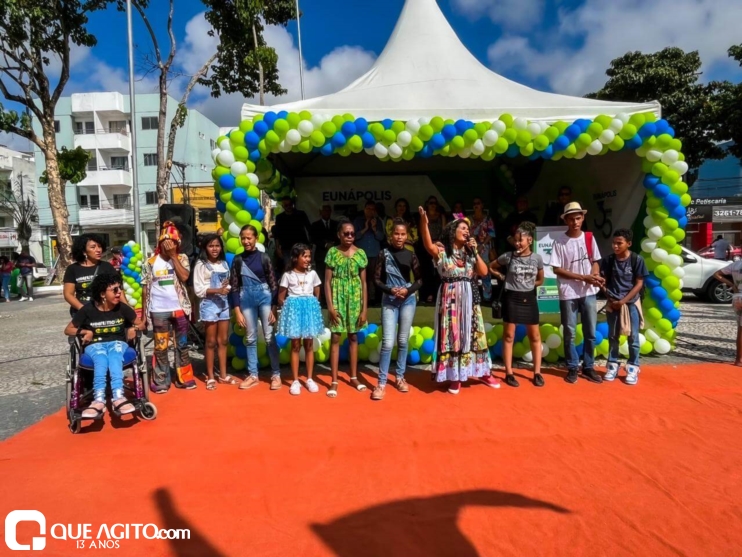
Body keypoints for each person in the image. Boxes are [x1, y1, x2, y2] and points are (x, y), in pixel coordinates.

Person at [418, 206, 501, 394]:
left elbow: (484, 271)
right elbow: (427, 244)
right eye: (462, 228)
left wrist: (475, 251)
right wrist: (424, 223)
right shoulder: (442, 250)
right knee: (453, 334)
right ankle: (455, 375)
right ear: (452, 231)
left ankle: (483, 371)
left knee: (475, 334)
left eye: (467, 229)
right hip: (450, 298)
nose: (466, 231)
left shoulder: (469, 253)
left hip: (470, 299)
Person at [64, 273, 144, 419]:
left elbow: (141, 324)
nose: (119, 292)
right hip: (95, 345)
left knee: (114, 356)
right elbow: (68, 329)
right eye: (114, 290)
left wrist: (134, 328)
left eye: (119, 288)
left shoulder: (123, 308)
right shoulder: (87, 310)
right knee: (100, 359)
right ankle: (98, 400)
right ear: (102, 294)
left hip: (118, 343)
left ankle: (118, 397)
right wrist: (84, 331)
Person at [549, 202, 604, 384]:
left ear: (583, 218)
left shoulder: (589, 238)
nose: (575, 222)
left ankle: (588, 366)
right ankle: (572, 367)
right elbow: (557, 269)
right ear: (566, 220)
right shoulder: (559, 242)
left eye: (578, 218)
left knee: (590, 331)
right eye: (571, 219)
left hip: (588, 291)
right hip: (568, 292)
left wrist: (594, 275)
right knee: (570, 332)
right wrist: (583, 277)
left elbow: (595, 260)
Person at [140, 221, 196, 393]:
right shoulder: (150, 262)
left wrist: (173, 256)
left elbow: (185, 277)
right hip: (158, 310)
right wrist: (143, 316)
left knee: (183, 345)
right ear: (159, 243)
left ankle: (184, 377)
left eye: (172, 243)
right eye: (165, 243)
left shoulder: (182, 258)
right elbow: (144, 289)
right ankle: (161, 380)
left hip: (179, 308)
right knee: (160, 346)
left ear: (177, 243)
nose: (168, 245)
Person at [371, 218, 423, 400]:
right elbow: (376, 279)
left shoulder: (411, 255)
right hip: (389, 300)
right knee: (387, 343)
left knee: (402, 341)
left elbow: (419, 280)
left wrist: (407, 290)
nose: (399, 237)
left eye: (403, 234)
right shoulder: (383, 254)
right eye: (396, 234)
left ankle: (400, 377)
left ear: (407, 235)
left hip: (408, 300)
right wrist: (390, 289)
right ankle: (381, 383)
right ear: (390, 235)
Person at [490, 222, 545, 387]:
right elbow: (492, 266)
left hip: (529, 299)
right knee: (508, 336)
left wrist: (528, 285)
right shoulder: (509, 256)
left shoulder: (537, 258)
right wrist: (501, 276)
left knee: (535, 336)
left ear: (529, 240)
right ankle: (509, 372)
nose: (517, 243)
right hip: (511, 298)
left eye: (520, 240)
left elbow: (541, 280)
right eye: (515, 240)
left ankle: (537, 372)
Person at [230, 224, 282, 390]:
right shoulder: (237, 260)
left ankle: (276, 374)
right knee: (250, 337)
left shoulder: (264, 258)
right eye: (243, 238)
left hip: (265, 298)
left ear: (256, 239)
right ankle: (253, 375)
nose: (246, 241)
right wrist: (237, 311)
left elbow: (274, 285)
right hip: (246, 300)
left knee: (268, 337)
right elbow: (235, 287)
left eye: (249, 238)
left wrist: (274, 308)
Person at [325, 218, 368, 398]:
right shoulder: (332, 253)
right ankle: (334, 380)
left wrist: (364, 309)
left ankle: (353, 376)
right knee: (335, 337)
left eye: (352, 233)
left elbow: (364, 283)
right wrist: (330, 307)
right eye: (346, 233)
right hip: (337, 298)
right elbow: (327, 282)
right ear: (339, 235)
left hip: (355, 299)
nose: (349, 236)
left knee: (353, 337)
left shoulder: (361, 254)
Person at [600, 229, 648, 385]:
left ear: (629, 243)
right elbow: (603, 281)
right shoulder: (608, 261)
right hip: (612, 303)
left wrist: (624, 301)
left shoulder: (637, 260)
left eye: (619, 243)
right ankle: (612, 365)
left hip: (631, 304)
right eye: (613, 243)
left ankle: (633, 367)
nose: (615, 246)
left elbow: (639, 283)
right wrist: (610, 297)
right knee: (613, 336)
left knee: (633, 337)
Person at [277, 243, 324, 396]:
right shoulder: (288, 275)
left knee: (309, 344)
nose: (307, 259)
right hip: (295, 312)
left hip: (309, 311)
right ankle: (296, 380)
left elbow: (317, 293)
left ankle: (310, 379)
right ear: (295, 257)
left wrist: (310, 306)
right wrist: (293, 308)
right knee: (295, 345)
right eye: (304, 256)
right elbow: (281, 297)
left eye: (309, 256)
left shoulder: (313, 274)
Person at [193, 234, 236, 391]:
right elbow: (198, 290)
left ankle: (223, 374)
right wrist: (218, 289)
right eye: (211, 246)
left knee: (223, 340)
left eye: (217, 245)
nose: (214, 249)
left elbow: (228, 283)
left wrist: (226, 287)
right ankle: (210, 376)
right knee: (210, 342)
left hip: (224, 304)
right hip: (209, 304)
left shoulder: (224, 263)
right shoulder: (201, 265)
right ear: (205, 248)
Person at [63, 233, 118, 317]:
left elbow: (117, 290)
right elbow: (68, 294)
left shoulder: (107, 267)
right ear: (84, 251)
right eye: (93, 247)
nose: (98, 250)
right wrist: (83, 309)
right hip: (82, 311)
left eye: (99, 246)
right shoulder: (72, 269)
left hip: (106, 311)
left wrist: (128, 309)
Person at [353, 200, 385, 305]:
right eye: (368, 209)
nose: (370, 211)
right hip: (360, 255)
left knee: (375, 278)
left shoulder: (378, 221)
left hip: (374, 254)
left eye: (373, 209)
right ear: (364, 209)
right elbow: (354, 237)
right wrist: (365, 228)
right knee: (362, 278)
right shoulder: (358, 221)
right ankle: (361, 300)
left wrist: (375, 229)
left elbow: (381, 237)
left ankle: (374, 300)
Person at [417, 197, 447, 303]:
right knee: (427, 271)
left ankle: (437, 294)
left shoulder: (441, 216)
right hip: (426, 246)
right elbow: (422, 232)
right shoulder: (424, 217)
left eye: (435, 203)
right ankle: (428, 294)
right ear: (427, 205)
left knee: (438, 272)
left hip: (438, 245)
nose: (433, 205)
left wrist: (438, 243)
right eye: (431, 203)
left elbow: (444, 232)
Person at [272, 196, 311, 273]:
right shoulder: (280, 217)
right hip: (286, 247)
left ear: (293, 204)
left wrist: (310, 244)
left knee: (304, 267)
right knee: (289, 269)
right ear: (283, 206)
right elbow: (277, 234)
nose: (289, 207)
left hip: (301, 246)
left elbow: (309, 229)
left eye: (290, 204)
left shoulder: (301, 214)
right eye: (286, 205)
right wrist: (278, 248)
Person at [714, 261, 742, 367]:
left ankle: (738, 359)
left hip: (737, 297)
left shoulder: (736, 264)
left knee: (740, 329)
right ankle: (739, 360)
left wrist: (731, 285)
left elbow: (716, 274)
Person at [469, 197, 497, 301]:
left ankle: (487, 296)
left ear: (482, 205)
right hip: (471, 248)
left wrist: (482, 244)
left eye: (478, 203)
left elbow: (491, 233)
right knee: (472, 272)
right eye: (474, 203)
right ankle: (474, 296)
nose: (476, 205)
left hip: (484, 248)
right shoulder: (469, 219)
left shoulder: (488, 219)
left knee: (485, 272)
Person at [309, 204, 338, 301]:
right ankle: (323, 299)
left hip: (335, 255)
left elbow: (339, 237)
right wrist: (325, 244)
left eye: (328, 210)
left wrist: (332, 244)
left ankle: (332, 298)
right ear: (320, 212)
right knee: (321, 277)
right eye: (324, 210)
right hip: (321, 255)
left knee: (334, 277)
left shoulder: (336, 224)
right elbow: (313, 239)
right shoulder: (315, 225)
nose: (326, 212)